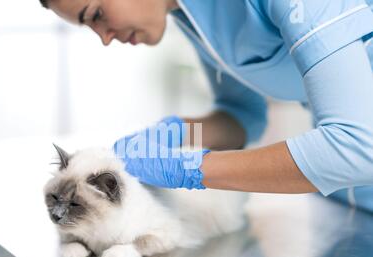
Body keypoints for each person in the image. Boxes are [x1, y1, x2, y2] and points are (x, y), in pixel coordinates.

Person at [40, 0, 373, 211]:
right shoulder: (190, 15)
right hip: (349, 199)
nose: (104, 38)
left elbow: (358, 148)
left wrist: (191, 169)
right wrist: (180, 132)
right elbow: (243, 114)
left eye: (96, 14)